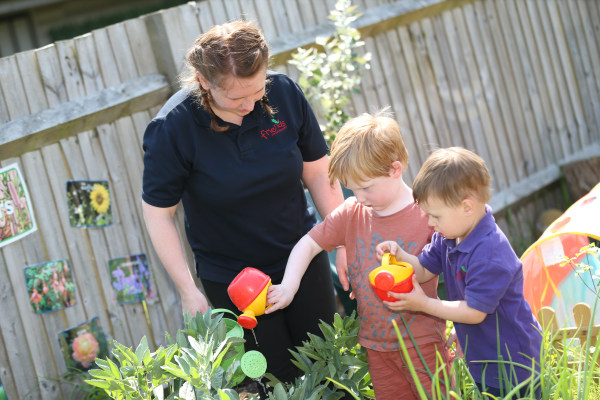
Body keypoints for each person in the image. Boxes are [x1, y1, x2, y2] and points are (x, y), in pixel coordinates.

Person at [141, 20, 346, 384]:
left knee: (329, 369)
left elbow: (317, 172)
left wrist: (341, 240)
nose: (251, 104)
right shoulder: (173, 129)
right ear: (204, 82)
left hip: (302, 256)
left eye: (257, 90)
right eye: (237, 98)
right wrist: (188, 291)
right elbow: (159, 216)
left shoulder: (283, 94)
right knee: (271, 381)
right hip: (234, 281)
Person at [266, 111, 452, 400]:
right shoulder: (353, 212)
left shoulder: (427, 214)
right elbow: (309, 243)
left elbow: (457, 269)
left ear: (395, 169)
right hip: (376, 347)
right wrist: (288, 286)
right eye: (352, 189)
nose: (360, 197)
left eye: (366, 188)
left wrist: (464, 327)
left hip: (424, 342)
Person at [377, 147, 542, 399]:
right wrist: (400, 255)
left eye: (436, 216)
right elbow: (422, 269)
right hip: (485, 358)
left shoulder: (490, 252)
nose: (430, 223)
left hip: (514, 364)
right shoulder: (448, 237)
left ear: (467, 206)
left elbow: (474, 312)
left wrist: (424, 303)